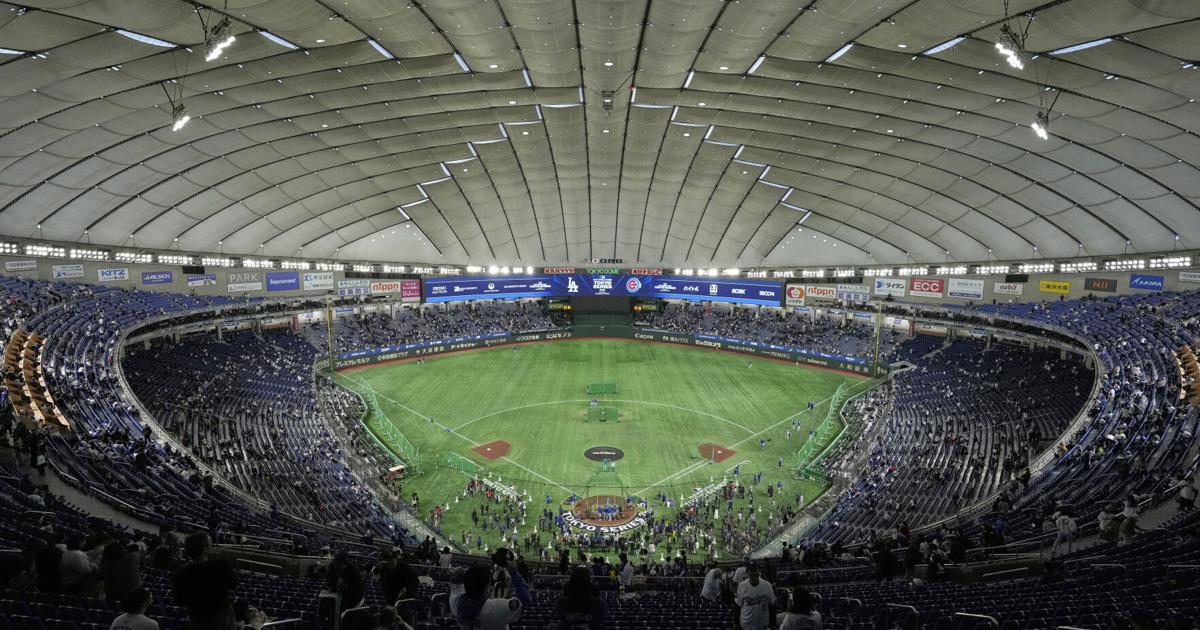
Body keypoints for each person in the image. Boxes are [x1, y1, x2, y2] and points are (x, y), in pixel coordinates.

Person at [172, 532, 238, 629]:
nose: (212, 545)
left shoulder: (180, 573)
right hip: (221, 617)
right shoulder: (221, 565)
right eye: (210, 543)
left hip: (196, 618)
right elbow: (233, 584)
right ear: (205, 549)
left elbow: (178, 600)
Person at [449, 563, 531, 629]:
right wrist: (514, 572)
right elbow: (525, 600)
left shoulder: (454, 601)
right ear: (486, 587)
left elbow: (456, 583)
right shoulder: (496, 608)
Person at [735, 565, 776, 630]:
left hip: (763, 624)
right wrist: (736, 623)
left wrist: (773, 622)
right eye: (751, 571)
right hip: (746, 624)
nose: (754, 573)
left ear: (760, 572)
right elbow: (737, 606)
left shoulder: (767, 585)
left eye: (756, 570)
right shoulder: (742, 586)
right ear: (747, 572)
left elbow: (772, 604)